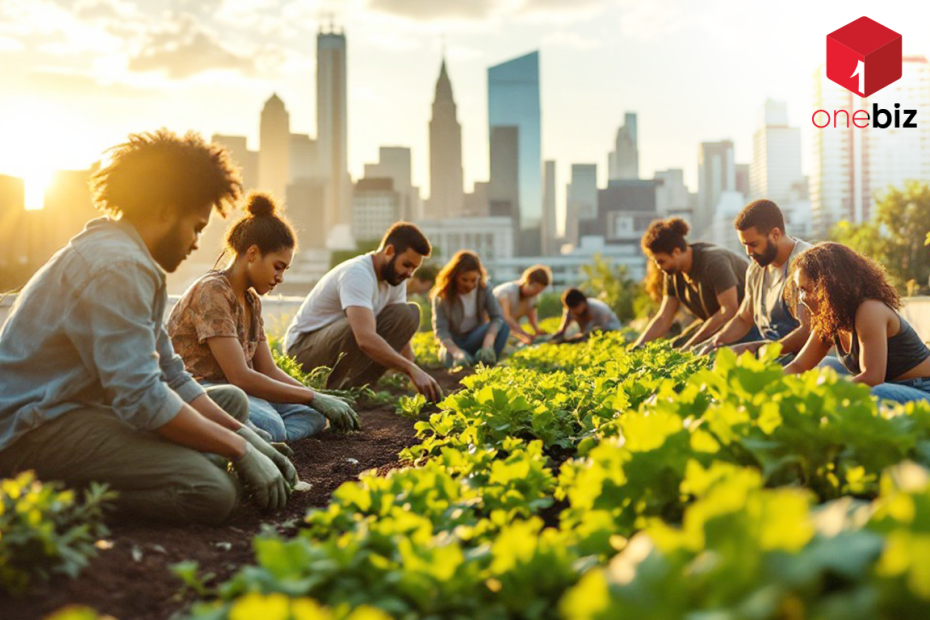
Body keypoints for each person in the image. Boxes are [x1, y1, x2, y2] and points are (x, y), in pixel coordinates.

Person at [0, 130, 297, 524]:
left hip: (76, 408)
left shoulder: (127, 256)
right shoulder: (119, 266)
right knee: (211, 491)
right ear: (164, 209)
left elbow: (170, 374)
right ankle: (47, 499)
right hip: (33, 429)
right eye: (195, 226)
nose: (196, 242)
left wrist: (247, 436)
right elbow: (141, 398)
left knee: (231, 406)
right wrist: (239, 450)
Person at [168, 193, 360, 442]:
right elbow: (240, 376)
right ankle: (261, 436)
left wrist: (317, 398)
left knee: (312, 416)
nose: (280, 277)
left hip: (243, 391)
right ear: (252, 254)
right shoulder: (213, 291)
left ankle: (261, 438)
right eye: (278, 266)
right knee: (274, 423)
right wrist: (313, 397)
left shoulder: (251, 301)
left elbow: (268, 369)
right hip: (204, 391)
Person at [285, 223, 443, 402]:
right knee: (358, 327)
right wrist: (411, 369)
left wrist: (414, 373)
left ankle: (359, 388)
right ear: (389, 251)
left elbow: (401, 330)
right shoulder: (358, 273)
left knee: (409, 313)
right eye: (406, 265)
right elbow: (365, 339)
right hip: (303, 349)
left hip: (336, 343)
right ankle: (334, 391)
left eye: (414, 268)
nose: (409, 273)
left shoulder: (395, 279)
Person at [783, 243, 930, 404]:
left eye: (805, 289)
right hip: (891, 386)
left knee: (876, 393)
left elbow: (872, 378)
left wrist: (818, 394)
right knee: (826, 366)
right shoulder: (829, 320)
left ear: (828, 285)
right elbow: (798, 366)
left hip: (921, 389)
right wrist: (764, 385)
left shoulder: (870, 310)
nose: (801, 299)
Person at [695, 200, 812, 360]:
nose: (749, 252)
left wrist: (756, 349)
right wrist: (715, 343)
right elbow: (744, 318)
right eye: (744, 245)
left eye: (753, 244)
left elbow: (809, 331)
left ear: (775, 234)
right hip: (769, 354)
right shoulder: (756, 269)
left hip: (804, 359)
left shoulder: (806, 263)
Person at [633, 217, 752, 350]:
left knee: (692, 350)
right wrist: (638, 345)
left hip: (746, 325)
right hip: (721, 326)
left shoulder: (713, 262)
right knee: (676, 345)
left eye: (661, 261)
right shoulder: (673, 272)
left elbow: (729, 310)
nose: (659, 267)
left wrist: (691, 344)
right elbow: (663, 318)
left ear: (676, 252)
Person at [431, 251, 510, 367]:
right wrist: (457, 353)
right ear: (454, 276)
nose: (469, 285)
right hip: (454, 342)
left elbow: (496, 317)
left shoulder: (484, 288)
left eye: (474, 280)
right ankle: (465, 359)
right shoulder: (442, 295)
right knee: (451, 361)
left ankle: (487, 360)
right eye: (464, 280)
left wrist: (487, 345)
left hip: (475, 337)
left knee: (503, 327)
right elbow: (441, 330)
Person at [493, 264, 552, 345]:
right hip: (492, 331)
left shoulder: (533, 297)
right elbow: (506, 318)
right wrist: (524, 334)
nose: (536, 292)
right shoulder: (506, 292)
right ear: (527, 281)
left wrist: (538, 331)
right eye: (535, 288)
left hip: (506, 332)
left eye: (540, 290)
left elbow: (532, 319)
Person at [551, 288, 621, 343]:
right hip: (591, 335)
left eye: (575, 308)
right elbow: (563, 330)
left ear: (582, 303)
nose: (573, 312)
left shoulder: (598, 309)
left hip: (611, 330)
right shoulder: (570, 311)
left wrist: (583, 336)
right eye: (571, 309)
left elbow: (601, 330)